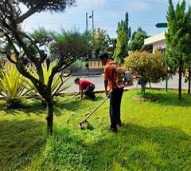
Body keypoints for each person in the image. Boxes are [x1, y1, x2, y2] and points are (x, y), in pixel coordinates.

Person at [99, 53, 124, 133]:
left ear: (104, 58)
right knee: (117, 106)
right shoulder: (115, 63)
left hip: (114, 89)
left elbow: (105, 80)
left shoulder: (107, 67)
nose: (101, 62)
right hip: (120, 87)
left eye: (101, 60)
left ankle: (113, 127)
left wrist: (106, 91)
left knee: (112, 108)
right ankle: (118, 122)